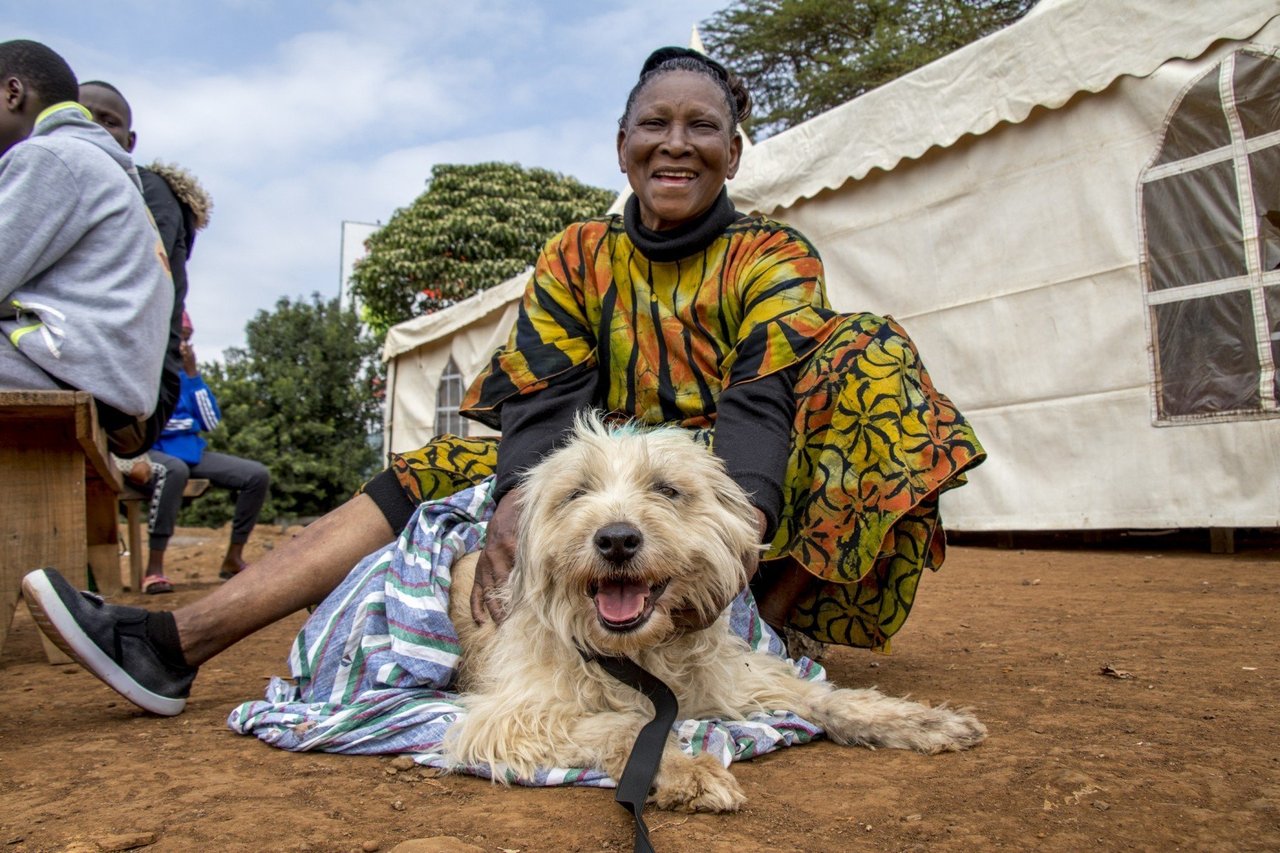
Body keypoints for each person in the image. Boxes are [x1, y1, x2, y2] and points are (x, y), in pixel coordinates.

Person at [23, 46, 985, 717]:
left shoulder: (772, 253)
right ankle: (174, 642)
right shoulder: (577, 253)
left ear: (734, 152)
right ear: (622, 147)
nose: (677, 144)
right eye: (655, 125)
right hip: (607, 486)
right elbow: (541, 393)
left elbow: (762, 399)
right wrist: (519, 501)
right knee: (448, 459)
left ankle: (758, 631)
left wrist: (724, 550)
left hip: (735, 501)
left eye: (704, 127)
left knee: (870, 359)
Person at [0, 40, 173, 455]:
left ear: (12, 93)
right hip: (106, 383)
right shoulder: (100, 168)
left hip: (72, 373)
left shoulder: (52, 157)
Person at [77, 80, 213, 454]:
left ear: (130, 140)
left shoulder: (147, 193)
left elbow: (210, 420)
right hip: (97, 373)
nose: (95, 127)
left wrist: (193, 374)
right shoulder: (64, 183)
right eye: (83, 115)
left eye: (109, 121)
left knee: (180, 472)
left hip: (135, 392)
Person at [132, 311, 270, 594]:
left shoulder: (188, 378)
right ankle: (154, 569)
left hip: (191, 451)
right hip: (149, 451)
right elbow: (145, 419)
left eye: (187, 340)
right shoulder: (144, 369)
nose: (183, 346)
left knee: (256, 474)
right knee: (175, 470)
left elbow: (209, 422)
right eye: (178, 339)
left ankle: (233, 558)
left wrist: (193, 375)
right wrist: (183, 423)